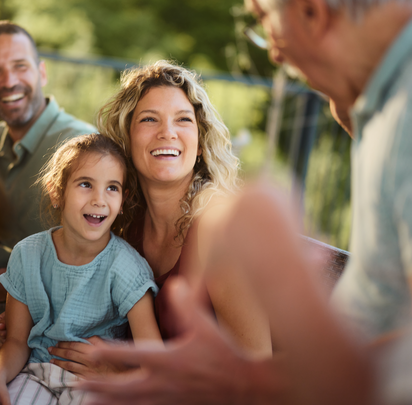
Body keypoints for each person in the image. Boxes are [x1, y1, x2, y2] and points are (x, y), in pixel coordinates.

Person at [76, 0, 412, 403]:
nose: (275, 55)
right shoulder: (402, 95)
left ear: (309, 10)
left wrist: (281, 284)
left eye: (264, 21)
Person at [44, 61, 271, 376]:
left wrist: (125, 376)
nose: (167, 132)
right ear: (127, 139)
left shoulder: (220, 234)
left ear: (201, 144)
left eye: (183, 120)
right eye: (149, 119)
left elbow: (256, 378)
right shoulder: (122, 221)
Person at [0, 133, 161, 405]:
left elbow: (154, 357)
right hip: (34, 372)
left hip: (96, 381)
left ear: (123, 200)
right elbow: (16, 341)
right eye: (85, 184)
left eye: (112, 187)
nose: (99, 199)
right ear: (56, 191)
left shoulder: (126, 267)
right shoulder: (27, 254)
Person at [0, 21, 96, 267]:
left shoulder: (83, 146)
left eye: (20, 66)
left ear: (42, 72)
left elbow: (90, 258)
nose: (8, 81)